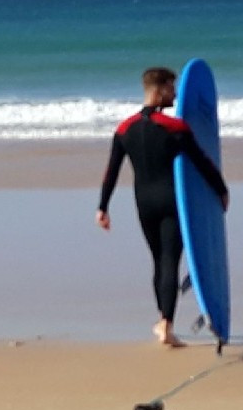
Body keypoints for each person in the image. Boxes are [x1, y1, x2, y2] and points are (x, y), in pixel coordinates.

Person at [96, 67, 229, 347]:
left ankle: (162, 321)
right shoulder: (174, 128)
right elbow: (202, 161)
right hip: (171, 201)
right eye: (171, 88)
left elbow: (111, 171)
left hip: (144, 203)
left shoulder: (124, 129)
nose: (175, 94)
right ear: (158, 91)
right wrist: (221, 190)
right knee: (170, 260)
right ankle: (167, 325)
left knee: (158, 261)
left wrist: (103, 207)